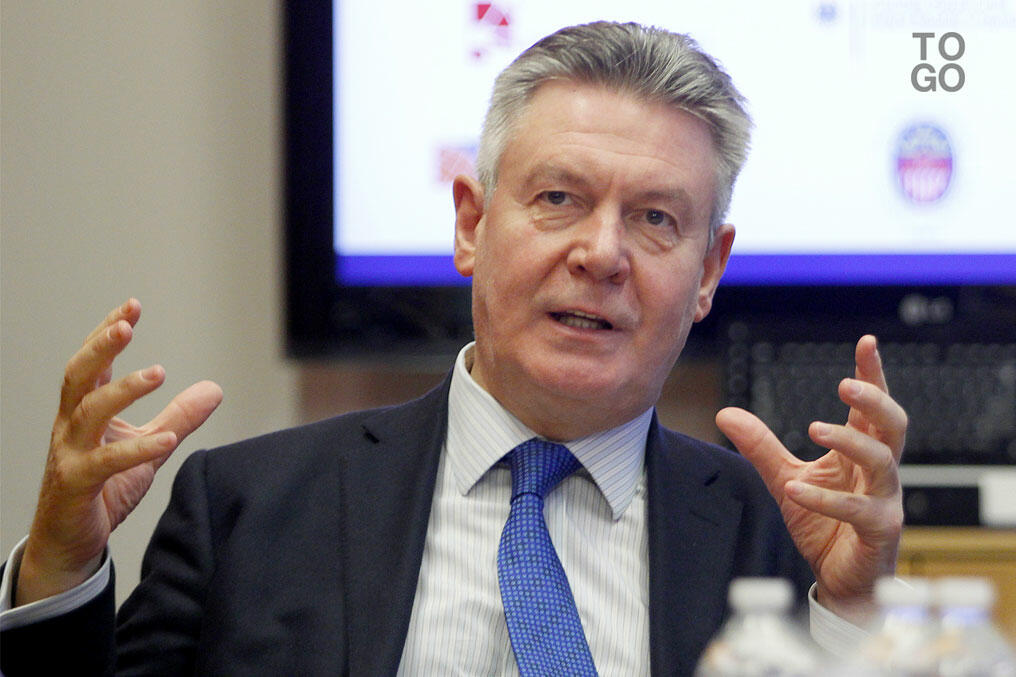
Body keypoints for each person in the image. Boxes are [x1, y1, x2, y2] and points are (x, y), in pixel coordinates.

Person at [0, 21, 906, 676]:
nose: (601, 253)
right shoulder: (247, 506)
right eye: (558, 198)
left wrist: (852, 616)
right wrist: (59, 567)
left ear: (708, 271)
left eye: (656, 219)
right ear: (471, 224)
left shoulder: (771, 534)